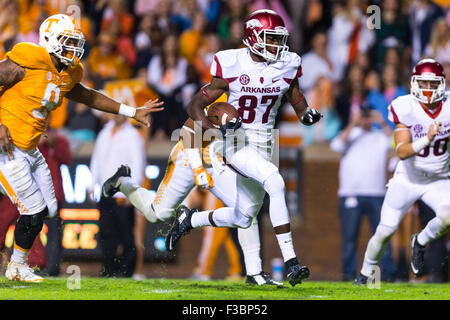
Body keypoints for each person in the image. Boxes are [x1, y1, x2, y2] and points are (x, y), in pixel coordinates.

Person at [0, 14, 163, 283]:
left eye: (75, 42)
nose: (73, 49)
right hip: (8, 151)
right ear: (49, 40)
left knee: (50, 210)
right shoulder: (26, 60)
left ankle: (18, 263)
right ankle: (17, 266)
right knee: (34, 211)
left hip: (30, 150)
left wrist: (131, 110)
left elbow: (88, 96)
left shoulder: (66, 72)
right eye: (67, 42)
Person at [165, 9, 322, 287]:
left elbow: (295, 95)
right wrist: (215, 129)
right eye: (270, 38)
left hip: (266, 141)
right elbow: (195, 106)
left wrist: (306, 113)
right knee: (275, 182)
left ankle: (191, 220)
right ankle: (291, 262)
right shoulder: (231, 62)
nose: (276, 45)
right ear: (252, 37)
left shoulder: (287, 63)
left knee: (243, 214)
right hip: (236, 139)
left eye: (278, 39)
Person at [103, 116, 282, 286]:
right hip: (188, 157)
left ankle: (254, 272)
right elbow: (189, 128)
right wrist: (198, 169)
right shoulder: (219, 91)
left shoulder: (254, 95)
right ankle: (124, 183)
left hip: (217, 160)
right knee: (156, 213)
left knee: (245, 208)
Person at [354, 58, 450, 284]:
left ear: (442, 85)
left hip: (438, 178)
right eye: (423, 84)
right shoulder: (405, 106)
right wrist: (427, 139)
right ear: (414, 83)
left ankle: (421, 241)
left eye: (433, 84)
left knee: (448, 216)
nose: (428, 90)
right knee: (386, 230)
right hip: (408, 178)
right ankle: (366, 273)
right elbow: (403, 151)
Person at [330, 106, 397, 281]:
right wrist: (354, 122)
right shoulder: (351, 134)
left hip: (377, 194)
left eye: (368, 115)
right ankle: (348, 273)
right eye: (364, 115)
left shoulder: (380, 136)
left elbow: (396, 144)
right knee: (350, 237)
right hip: (351, 193)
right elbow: (336, 145)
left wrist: (381, 122)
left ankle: (387, 273)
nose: (366, 119)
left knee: (383, 235)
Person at [90, 114, 146, 277]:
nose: (117, 115)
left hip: (123, 193)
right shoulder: (104, 133)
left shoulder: (133, 135)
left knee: (126, 234)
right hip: (105, 193)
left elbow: (138, 162)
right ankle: (109, 269)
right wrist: (92, 183)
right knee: (106, 234)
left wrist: (133, 191)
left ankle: (127, 270)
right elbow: (97, 159)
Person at [38, 127, 72, 276]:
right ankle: (35, 264)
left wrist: (54, 144)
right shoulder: (28, 137)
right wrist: (37, 143)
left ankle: (53, 268)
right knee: (30, 232)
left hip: (53, 194)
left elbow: (67, 158)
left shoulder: (59, 138)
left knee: (54, 233)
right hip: (33, 193)